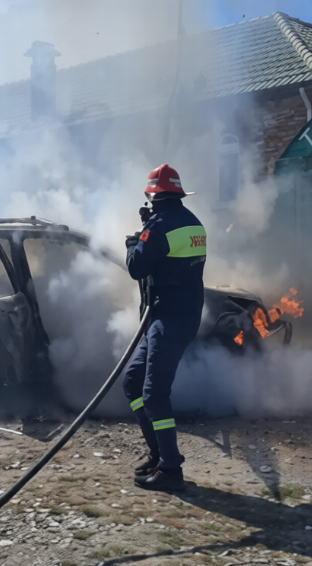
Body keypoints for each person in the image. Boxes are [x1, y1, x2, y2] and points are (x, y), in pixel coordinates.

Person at [123, 163, 206, 492]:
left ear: (153, 195)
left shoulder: (158, 227)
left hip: (169, 319)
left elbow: (136, 268)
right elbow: (173, 263)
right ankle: (158, 453)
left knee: (154, 394)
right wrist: (150, 230)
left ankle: (171, 470)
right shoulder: (194, 223)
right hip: (179, 316)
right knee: (133, 381)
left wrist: (134, 242)